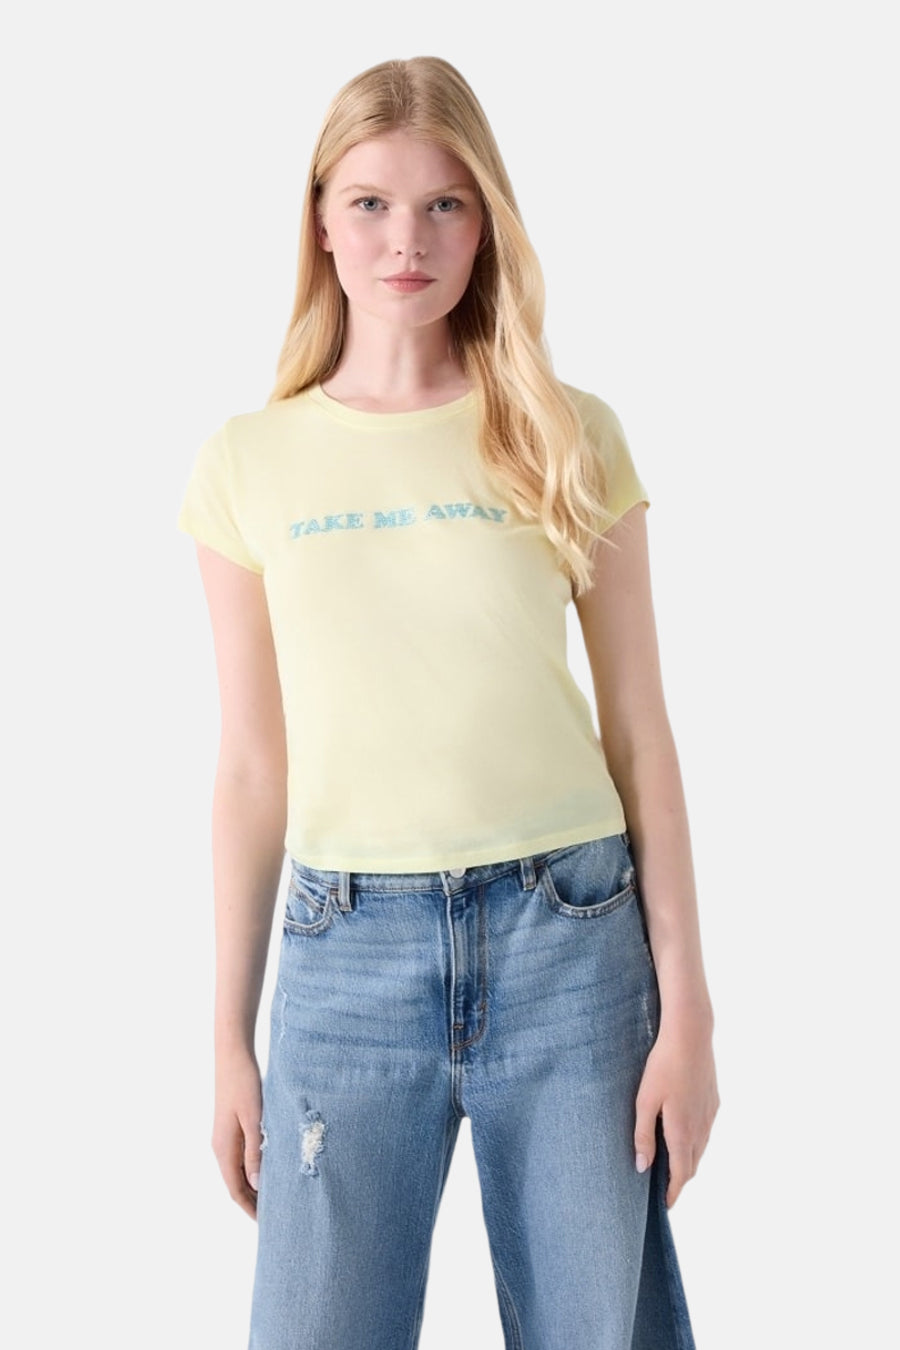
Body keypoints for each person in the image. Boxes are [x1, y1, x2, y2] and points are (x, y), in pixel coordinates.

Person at [178, 54, 718, 1350]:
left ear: (487, 224)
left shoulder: (568, 434)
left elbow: (640, 733)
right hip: (345, 953)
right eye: (369, 203)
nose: (405, 242)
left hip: (570, 939)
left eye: (444, 205)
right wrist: (227, 1036)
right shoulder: (250, 463)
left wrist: (691, 1009)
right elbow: (252, 766)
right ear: (319, 221)